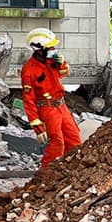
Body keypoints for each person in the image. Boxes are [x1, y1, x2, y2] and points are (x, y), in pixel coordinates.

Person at [21, 28, 82, 168]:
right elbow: (28, 100)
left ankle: (72, 171)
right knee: (56, 143)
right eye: (50, 47)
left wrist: (61, 63)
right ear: (40, 49)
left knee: (74, 139)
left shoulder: (51, 61)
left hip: (61, 105)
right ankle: (46, 175)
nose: (54, 49)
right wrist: (37, 127)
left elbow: (63, 73)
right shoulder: (29, 70)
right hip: (47, 109)